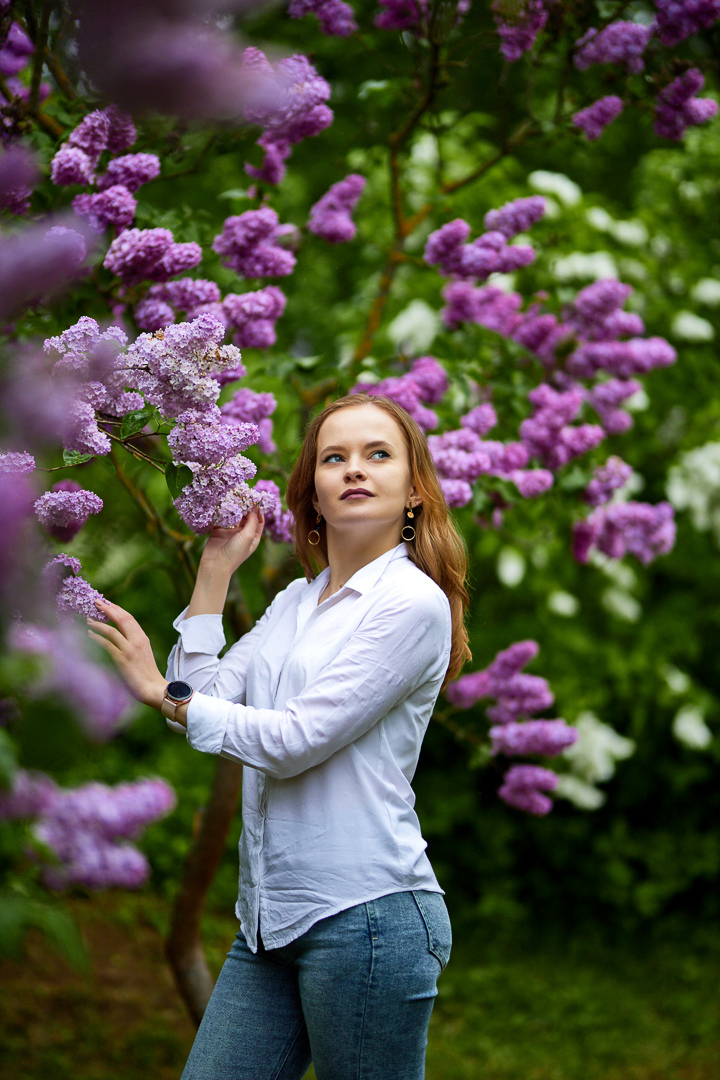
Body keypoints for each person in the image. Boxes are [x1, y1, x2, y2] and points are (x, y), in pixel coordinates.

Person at [89, 393, 470, 1080]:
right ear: (314, 496)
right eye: (334, 457)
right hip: (268, 925)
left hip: (369, 921)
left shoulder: (413, 603)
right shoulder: (297, 601)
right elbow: (205, 704)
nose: (354, 468)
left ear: (414, 492)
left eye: (377, 454)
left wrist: (162, 694)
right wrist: (214, 572)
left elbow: (295, 740)